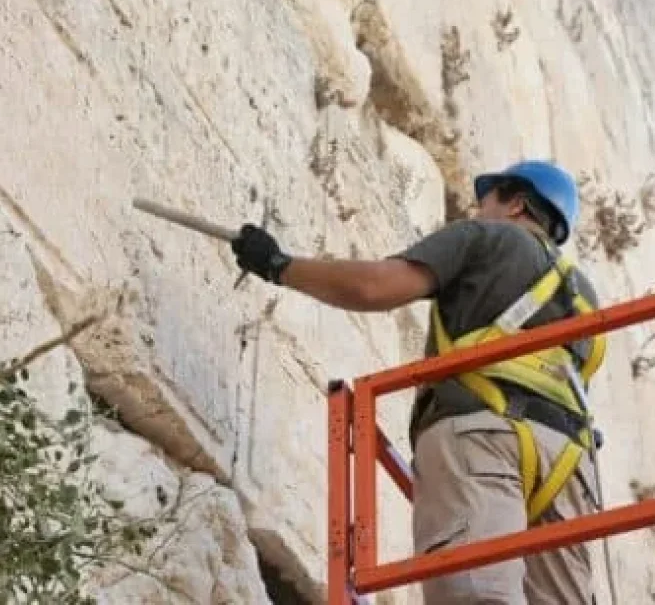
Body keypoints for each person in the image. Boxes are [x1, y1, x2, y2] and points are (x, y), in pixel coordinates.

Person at [230, 159, 603, 605]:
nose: (477, 209)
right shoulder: (586, 299)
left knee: (476, 597)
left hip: (482, 435)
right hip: (568, 465)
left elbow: (373, 287)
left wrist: (278, 265)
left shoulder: (485, 238)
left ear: (517, 202)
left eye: (485, 201)